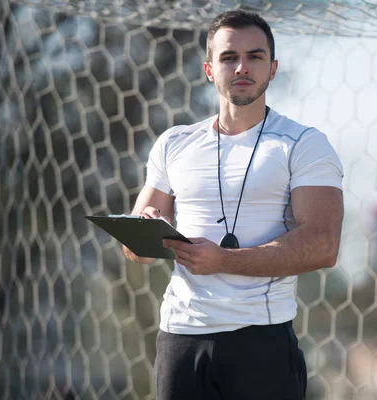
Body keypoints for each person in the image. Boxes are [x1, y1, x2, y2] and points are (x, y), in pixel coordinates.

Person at [123, 9, 344, 400]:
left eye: (255, 56)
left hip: (261, 341)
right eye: (228, 57)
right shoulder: (175, 143)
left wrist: (224, 261)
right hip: (181, 338)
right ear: (209, 69)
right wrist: (147, 227)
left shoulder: (303, 144)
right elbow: (134, 249)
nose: (242, 67)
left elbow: (324, 246)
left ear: (273, 68)